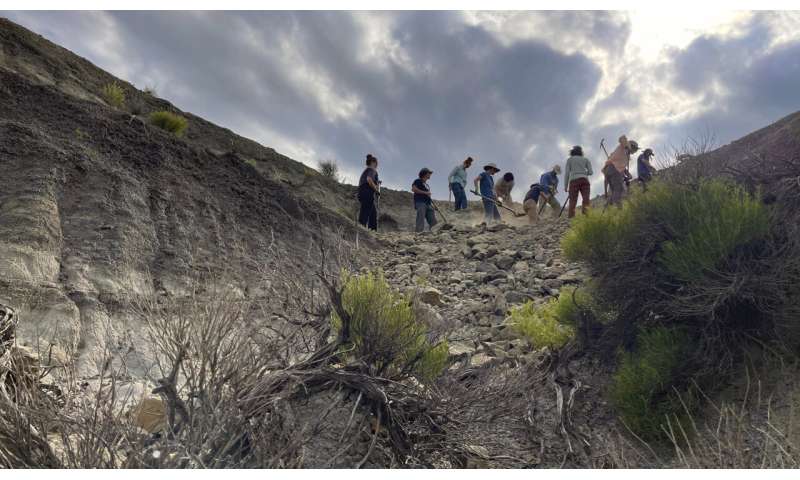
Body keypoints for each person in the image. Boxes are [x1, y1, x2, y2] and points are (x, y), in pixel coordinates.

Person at [603, 135, 638, 207]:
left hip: (610, 170)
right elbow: (622, 137)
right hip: (614, 170)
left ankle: (608, 206)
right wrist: (627, 146)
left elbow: (624, 170)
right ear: (632, 146)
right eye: (635, 149)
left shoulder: (625, 157)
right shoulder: (624, 146)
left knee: (615, 191)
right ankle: (620, 209)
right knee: (620, 190)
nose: (635, 151)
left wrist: (627, 176)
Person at [563, 145, 593, 218]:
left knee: (573, 200)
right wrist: (583, 173)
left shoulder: (570, 160)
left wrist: (565, 186)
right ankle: (586, 216)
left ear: (572, 152)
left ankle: (571, 218)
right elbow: (591, 172)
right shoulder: (586, 159)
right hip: (584, 180)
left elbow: (567, 173)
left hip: (574, 181)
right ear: (581, 152)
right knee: (586, 199)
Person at [357, 154, 381, 230]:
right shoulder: (372, 170)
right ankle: (361, 229)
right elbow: (369, 179)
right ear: (373, 162)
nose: (377, 165)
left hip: (362, 191)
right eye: (377, 163)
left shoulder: (366, 171)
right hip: (367, 192)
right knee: (365, 212)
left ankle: (373, 231)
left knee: (373, 213)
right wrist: (376, 190)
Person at [412, 168, 437, 233]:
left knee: (433, 220)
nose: (430, 175)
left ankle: (435, 232)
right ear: (425, 174)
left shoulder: (427, 185)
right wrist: (426, 193)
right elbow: (414, 189)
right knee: (420, 218)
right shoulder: (418, 181)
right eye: (429, 173)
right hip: (420, 202)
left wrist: (433, 206)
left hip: (428, 204)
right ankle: (418, 233)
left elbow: (428, 197)